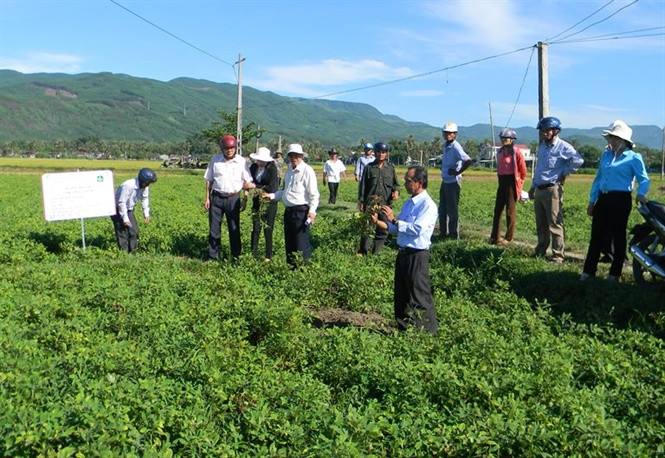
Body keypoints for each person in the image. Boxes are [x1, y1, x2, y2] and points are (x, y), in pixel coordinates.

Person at [371, 165, 438, 335]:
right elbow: (398, 227)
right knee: (401, 295)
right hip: (403, 254)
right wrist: (381, 223)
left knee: (419, 296)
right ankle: (404, 329)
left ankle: (428, 334)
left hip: (417, 256)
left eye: (409, 181)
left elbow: (417, 229)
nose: (405, 184)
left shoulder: (428, 206)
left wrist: (394, 220)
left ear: (420, 182)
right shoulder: (410, 203)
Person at [581, 120, 650, 282]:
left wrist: (641, 193)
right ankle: (588, 271)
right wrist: (592, 201)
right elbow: (598, 180)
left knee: (619, 236)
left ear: (624, 141)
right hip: (603, 198)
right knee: (596, 235)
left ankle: (614, 273)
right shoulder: (606, 155)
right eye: (611, 137)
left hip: (621, 199)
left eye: (615, 138)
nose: (612, 141)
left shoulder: (633, 158)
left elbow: (644, 179)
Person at [528, 116, 584, 263]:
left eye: (547, 130)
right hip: (540, 188)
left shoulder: (563, 147)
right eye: (542, 130)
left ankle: (558, 255)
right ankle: (541, 250)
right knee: (541, 224)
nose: (544, 133)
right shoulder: (542, 147)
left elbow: (578, 160)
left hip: (552, 189)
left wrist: (564, 173)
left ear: (556, 131)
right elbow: (539, 169)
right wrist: (532, 187)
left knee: (555, 223)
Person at [265, 143, 320, 268]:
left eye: (297, 155)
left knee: (301, 244)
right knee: (290, 243)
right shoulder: (289, 170)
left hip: (301, 212)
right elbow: (285, 191)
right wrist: (272, 196)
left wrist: (312, 212)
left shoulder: (307, 171)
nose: (294, 157)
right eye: (292, 155)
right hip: (289, 211)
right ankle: (291, 270)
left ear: (301, 156)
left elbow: (314, 194)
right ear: (289, 156)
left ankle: (303, 270)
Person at [204, 134, 255, 261]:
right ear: (222, 149)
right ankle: (213, 256)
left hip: (233, 198)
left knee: (234, 228)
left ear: (235, 148)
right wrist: (207, 198)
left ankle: (236, 256)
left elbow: (246, 182)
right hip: (216, 198)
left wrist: (245, 199)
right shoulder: (215, 161)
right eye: (227, 148)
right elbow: (209, 180)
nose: (229, 150)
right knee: (214, 229)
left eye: (232, 148)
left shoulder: (241, 162)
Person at [357, 141, 400, 255]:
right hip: (370, 204)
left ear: (386, 154)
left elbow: (396, 184)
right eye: (378, 152)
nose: (381, 154)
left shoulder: (390, 168)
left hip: (385, 204)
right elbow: (363, 186)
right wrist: (361, 201)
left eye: (383, 152)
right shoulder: (369, 168)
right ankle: (363, 251)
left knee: (383, 229)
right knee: (367, 228)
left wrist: (396, 191)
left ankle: (376, 252)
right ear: (375, 153)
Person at [489, 128, 528, 245]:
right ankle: (495, 236)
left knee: (510, 211)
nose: (504, 140)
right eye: (502, 138)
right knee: (498, 209)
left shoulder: (516, 152)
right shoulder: (499, 152)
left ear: (512, 140)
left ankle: (509, 237)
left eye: (507, 138)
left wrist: (520, 184)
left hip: (512, 181)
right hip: (502, 181)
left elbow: (523, 170)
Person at [438, 122, 472, 239]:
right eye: (446, 132)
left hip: (453, 182)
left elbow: (467, 160)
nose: (448, 135)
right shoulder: (445, 145)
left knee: (452, 210)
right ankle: (443, 233)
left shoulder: (456, 147)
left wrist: (458, 172)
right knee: (442, 209)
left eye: (450, 133)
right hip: (445, 181)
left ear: (455, 134)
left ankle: (453, 235)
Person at [111, 168, 157, 253]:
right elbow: (122, 202)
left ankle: (133, 252)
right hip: (117, 208)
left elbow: (145, 198)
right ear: (142, 180)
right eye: (148, 183)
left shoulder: (145, 187)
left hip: (129, 209)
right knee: (122, 231)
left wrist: (146, 213)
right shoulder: (128, 185)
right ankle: (123, 253)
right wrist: (125, 219)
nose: (148, 185)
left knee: (134, 231)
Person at [249, 147, 279, 262]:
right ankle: (253, 254)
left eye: (261, 161)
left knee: (268, 229)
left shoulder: (272, 169)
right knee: (256, 228)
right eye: (258, 160)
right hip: (257, 201)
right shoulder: (253, 167)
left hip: (269, 202)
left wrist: (256, 187)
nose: (259, 163)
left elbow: (273, 187)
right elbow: (249, 181)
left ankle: (268, 256)